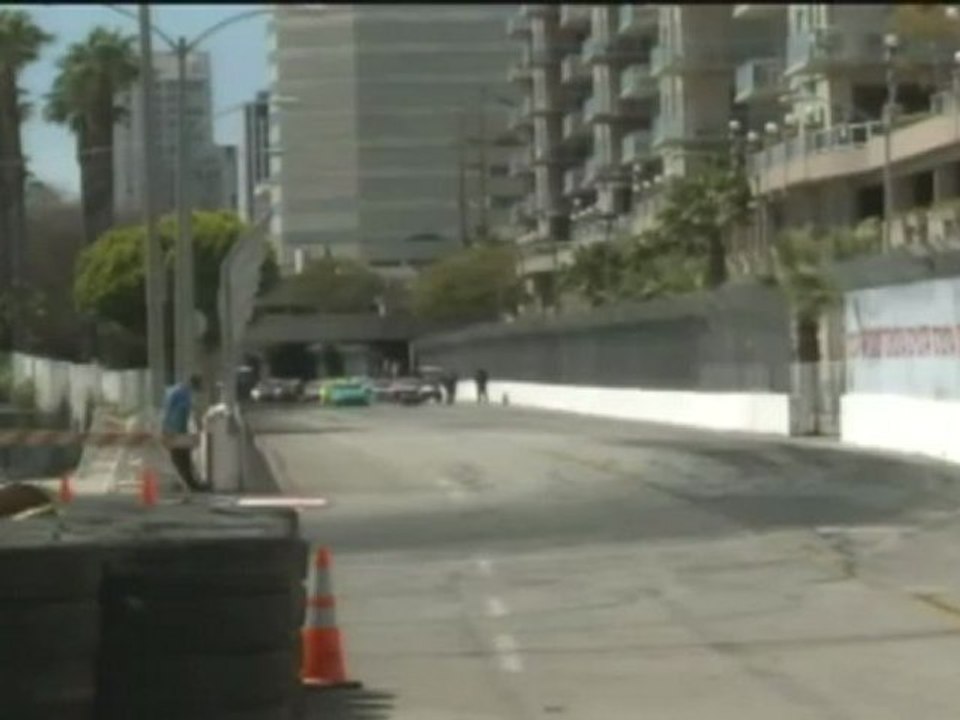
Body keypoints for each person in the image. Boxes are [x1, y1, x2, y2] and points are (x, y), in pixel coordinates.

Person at [162, 373, 208, 492]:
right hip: (175, 430)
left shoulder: (181, 392)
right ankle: (189, 484)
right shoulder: (181, 394)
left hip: (178, 430)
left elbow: (185, 412)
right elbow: (175, 412)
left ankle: (188, 484)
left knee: (182, 458)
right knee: (181, 458)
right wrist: (167, 429)